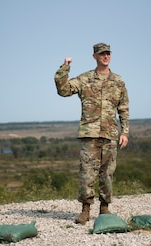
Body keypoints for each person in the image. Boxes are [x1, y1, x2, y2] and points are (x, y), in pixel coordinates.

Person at [54, 42, 129, 224]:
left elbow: (124, 108)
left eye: (108, 53)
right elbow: (63, 90)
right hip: (89, 134)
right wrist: (65, 68)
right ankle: (85, 210)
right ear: (94, 56)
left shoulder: (118, 81)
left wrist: (125, 131)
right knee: (87, 173)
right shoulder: (85, 79)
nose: (105, 56)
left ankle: (104, 209)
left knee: (107, 174)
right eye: (102, 54)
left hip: (110, 134)